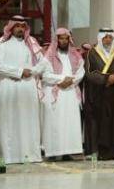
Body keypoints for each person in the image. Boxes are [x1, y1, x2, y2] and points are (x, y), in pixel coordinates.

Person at [0, 15, 42, 164]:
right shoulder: (2, 46)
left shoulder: (30, 47)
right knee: (9, 121)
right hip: (9, 87)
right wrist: (19, 72)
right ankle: (9, 156)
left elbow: (39, 65)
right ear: (11, 28)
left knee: (28, 121)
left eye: (22, 26)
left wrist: (30, 72)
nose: (20, 29)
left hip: (27, 88)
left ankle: (29, 154)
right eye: (17, 26)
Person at [36, 28, 85, 160]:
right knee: (54, 123)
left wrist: (70, 81)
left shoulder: (76, 56)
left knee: (69, 122)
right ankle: (53, 152)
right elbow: (45, 75)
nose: (64, 41)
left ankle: (68, 151)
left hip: (71, 93)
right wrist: (62, 80)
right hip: (55, 93)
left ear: (69, 40)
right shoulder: (49, 56)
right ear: (57, 40)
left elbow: (81, 73)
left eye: (66, 38)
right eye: (61, 39)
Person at [85, 28, 114, 160]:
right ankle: (100, 152)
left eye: (110, 37)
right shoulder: (92, 53)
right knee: (100, 123)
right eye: (105, 37)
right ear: (100, 38)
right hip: (98, 94)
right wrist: (106, 79)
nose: (108, 40)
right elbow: (89, 73)